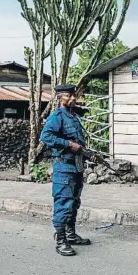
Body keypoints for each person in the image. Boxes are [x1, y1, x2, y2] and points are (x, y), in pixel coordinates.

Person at [40, 84, 91, 257]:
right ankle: (60, 241)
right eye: (68, 96)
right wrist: (69, 144)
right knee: (64, 203)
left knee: (74, 202)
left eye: (73, 95)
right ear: (59, 98)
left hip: (76, 166)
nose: (73, 98)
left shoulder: (73, 117)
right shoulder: (57, 117)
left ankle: (70, 234)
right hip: (64, 167)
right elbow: (46, 137)